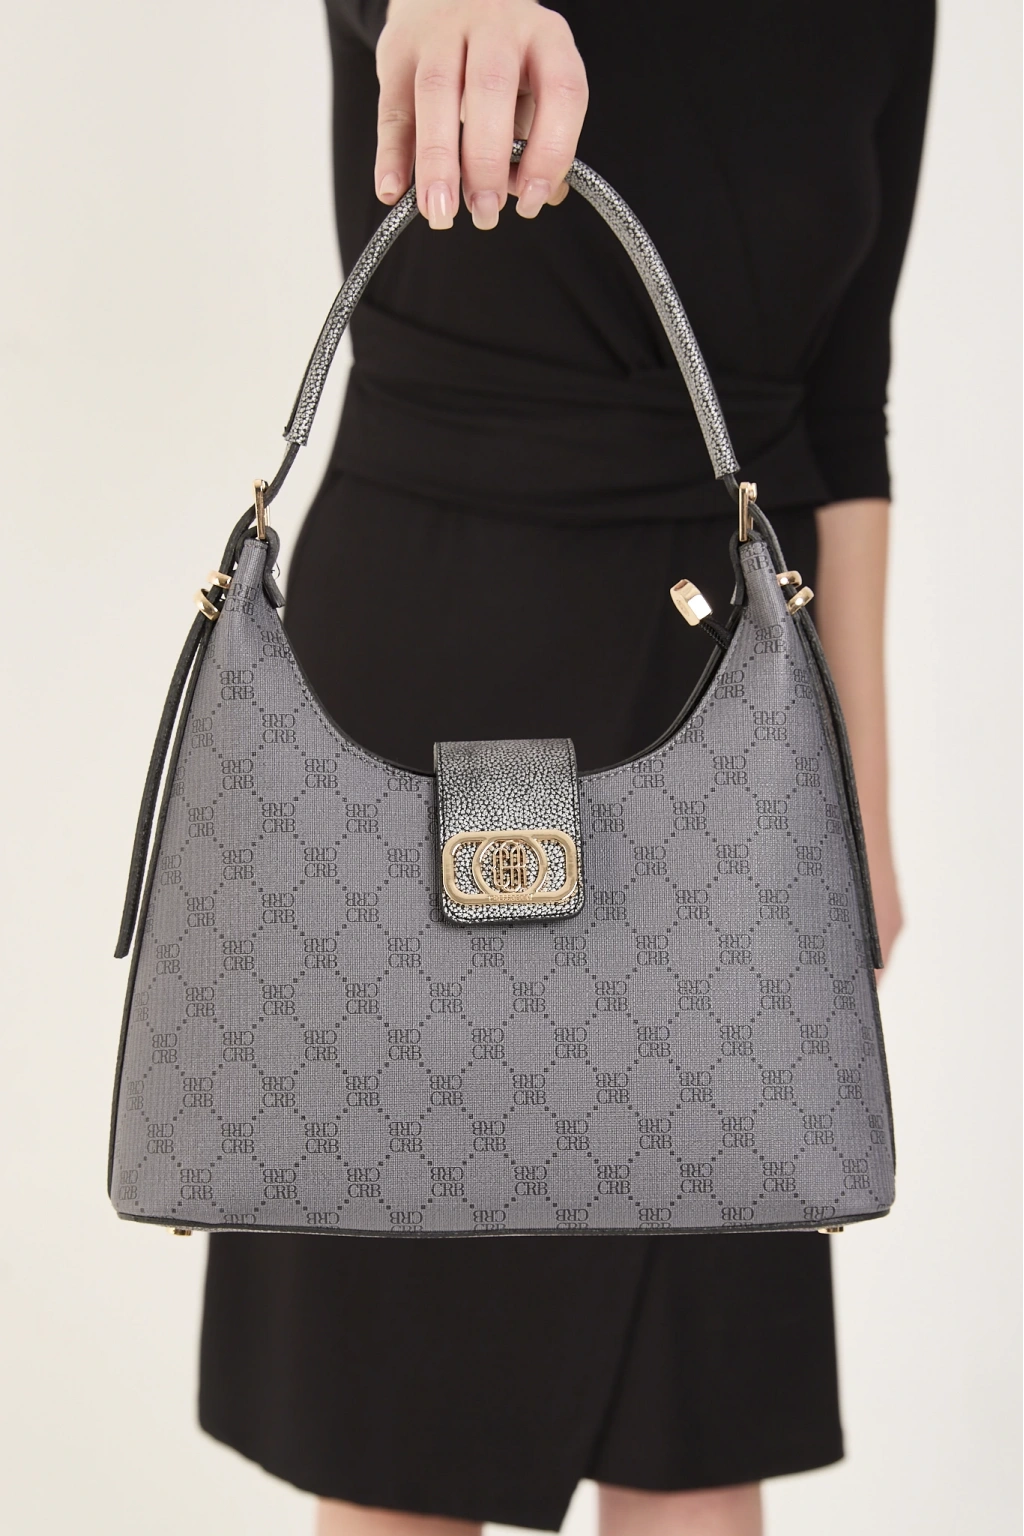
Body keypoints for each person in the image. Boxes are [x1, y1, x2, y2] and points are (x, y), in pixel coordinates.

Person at [199, 4, 934, 1533]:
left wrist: (855, 789)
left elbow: (843, 408)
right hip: (419, 696)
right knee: (399, 1430)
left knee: (694, 1429)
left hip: (727, 723)